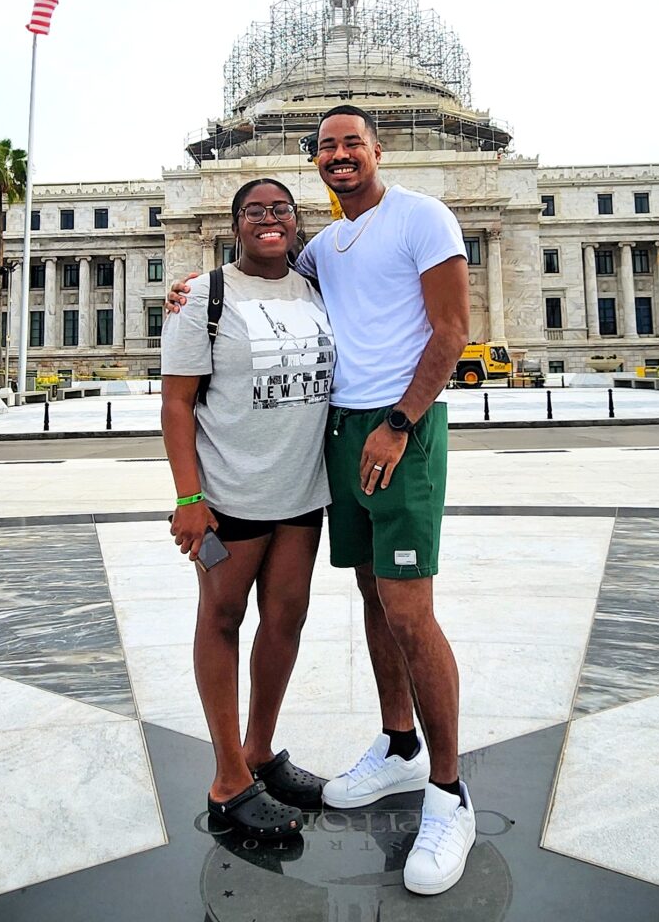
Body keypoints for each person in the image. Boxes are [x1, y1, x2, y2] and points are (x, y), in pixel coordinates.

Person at [167, 105, 473, 895]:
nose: (340, 154)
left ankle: (448, 790)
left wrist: (401, 423)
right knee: (371, 599)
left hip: (395, 430)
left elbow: (450, 331)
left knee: (406, 609)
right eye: (326, 145)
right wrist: (191, 290)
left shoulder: (423, 214)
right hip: (325, 447)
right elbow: (203, 358)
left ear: (378, 149)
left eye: (352, 142)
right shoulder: (323, 252)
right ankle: (396, 745)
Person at [161, 178, 336, 842]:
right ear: (233, 226)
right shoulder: (201, 298)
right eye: (254, 211)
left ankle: (260, 751)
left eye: (280, 209)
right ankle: (227, 778)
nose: (269, 218)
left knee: (286, 618)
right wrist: (188, 497)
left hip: (301, 489)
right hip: (229, 493)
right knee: (224, 617)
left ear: (296, 223)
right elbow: (176, 404)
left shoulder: (317, 289)